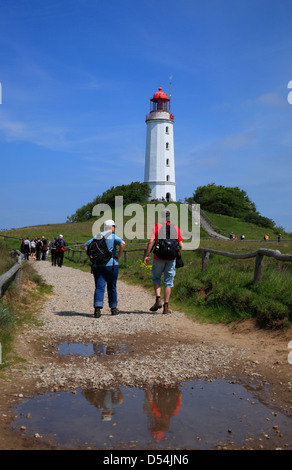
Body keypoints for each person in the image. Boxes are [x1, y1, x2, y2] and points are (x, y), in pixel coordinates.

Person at [144, 210, 183, 314]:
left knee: (156, 278)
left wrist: (147, 255)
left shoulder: (157, 226)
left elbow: (151, 241)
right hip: (171, 259)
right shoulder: (175, 227)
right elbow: (181, 244)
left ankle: (158, 299)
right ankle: (166, 306)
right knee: (168, 282)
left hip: (158, 257)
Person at [84, 220, 125, 318]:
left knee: (99, 287)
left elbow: (86, 246)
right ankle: (113, 309)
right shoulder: (113, 236)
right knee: (112, 287)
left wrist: (91, 257)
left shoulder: (97, 236)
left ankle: (97, 310)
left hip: (97, 265)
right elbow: (123, 244)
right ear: (111, 227)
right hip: (111, 265)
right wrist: (118, 256)